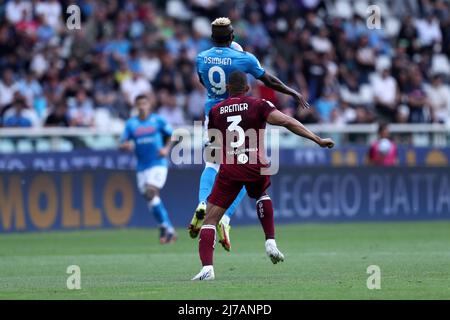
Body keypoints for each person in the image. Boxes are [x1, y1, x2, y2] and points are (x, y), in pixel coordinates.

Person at [191, 71, 334, 281]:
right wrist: (317, 139)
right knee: (261, 195)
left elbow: (213, 144)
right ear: (247, 88)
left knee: (210, 220)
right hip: (256, 164)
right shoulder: (259, 104)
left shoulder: (215, 111)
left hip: (231, 166)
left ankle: (207, 269)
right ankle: (270, 242)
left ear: (228, 89)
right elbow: (287, 121)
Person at [189, 17, 310, 252]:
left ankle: (204, 202)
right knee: (244, 167)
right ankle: (225, 218)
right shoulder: (244, 58)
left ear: (212, 38)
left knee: (212, 164)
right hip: (241, 118)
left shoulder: (201, 58)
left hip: (213, 114)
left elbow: (203, 82)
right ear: (232, 36)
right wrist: (291, 91)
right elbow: (269, 80)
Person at [119, 94, 177, 244]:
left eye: (144, 103)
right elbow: (122, 143)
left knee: (151, 192)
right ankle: (168, 229)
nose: (142, 106)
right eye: (139, 104)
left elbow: (173, 135)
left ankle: (165, 227)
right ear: (136, 106)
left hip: (158, 163)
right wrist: (125, 146)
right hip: (141, 167)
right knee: (150, 197)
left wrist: (166, 149)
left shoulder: (158, 120)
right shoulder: (131, 124)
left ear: (149, 105)